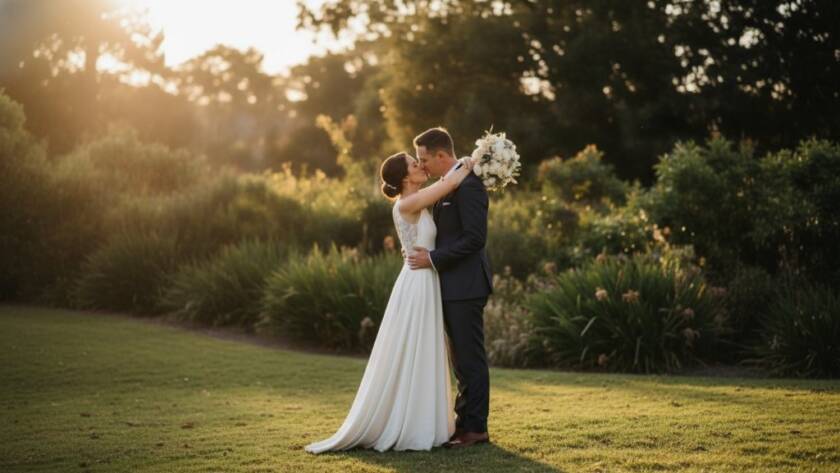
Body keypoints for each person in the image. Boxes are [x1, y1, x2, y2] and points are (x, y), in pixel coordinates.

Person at [304, 150, 474, 453]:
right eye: (414, 164)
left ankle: (424, 419)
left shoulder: (419, 199)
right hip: (418, 281)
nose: (420, 166)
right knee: (416, 346)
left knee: (424, 348)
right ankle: (409, 423)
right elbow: (448, 184)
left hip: (425, 276)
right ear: (404, 176)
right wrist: (472, 160)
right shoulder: (408, 202)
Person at [406, 126, 494, 449]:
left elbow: (475, 239)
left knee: (470, 359)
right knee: (460, 360)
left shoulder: (469, 186)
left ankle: (476, 428)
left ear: (442, 155)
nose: (422, 165)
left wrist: (432, 258)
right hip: (451, 286)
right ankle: (463, 423)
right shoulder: (449, 185)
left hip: (467, 285)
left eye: (424, 159)